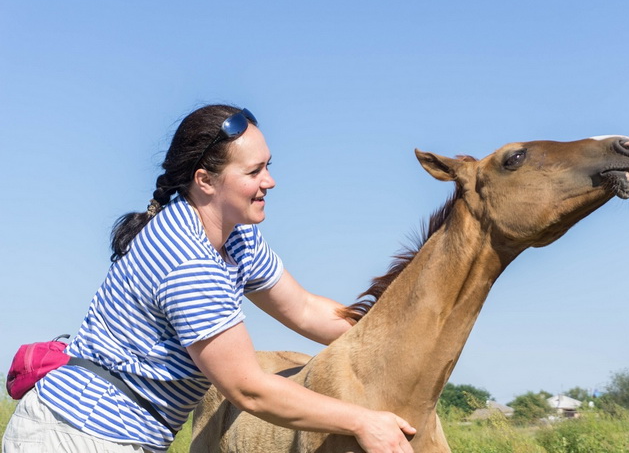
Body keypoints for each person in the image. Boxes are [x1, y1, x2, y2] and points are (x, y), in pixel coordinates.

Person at [2, 104, 416, 453]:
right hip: (75, 436)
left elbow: (305, 309)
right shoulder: (187, 262)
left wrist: (398, 345)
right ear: (205, 181)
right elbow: (248, 389)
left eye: (269, 166)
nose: (269, 181)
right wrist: (363, 421)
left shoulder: (237, 238)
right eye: (254, 172)